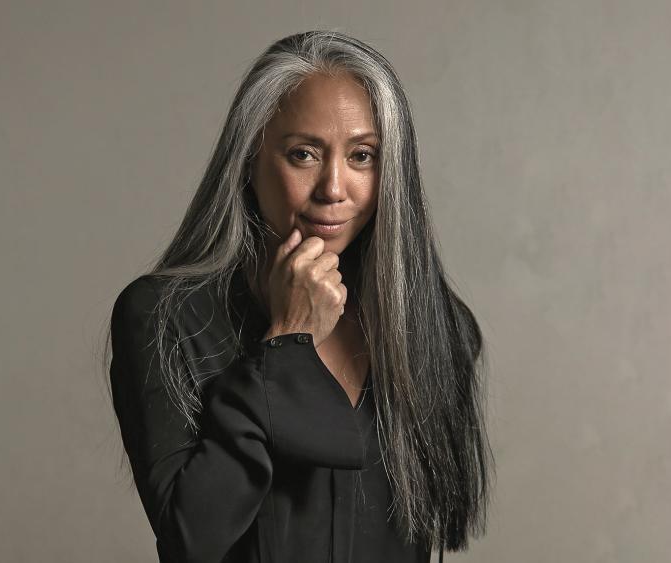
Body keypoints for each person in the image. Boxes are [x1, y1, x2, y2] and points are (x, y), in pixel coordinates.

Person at [106, 30, 492, 563]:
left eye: (362, 156)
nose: (333, 188)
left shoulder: (439, 326)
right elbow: (192, 538)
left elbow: (434, 532)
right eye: (303, 154)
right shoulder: (164, 317)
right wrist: (288, 341)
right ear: (250, 159)